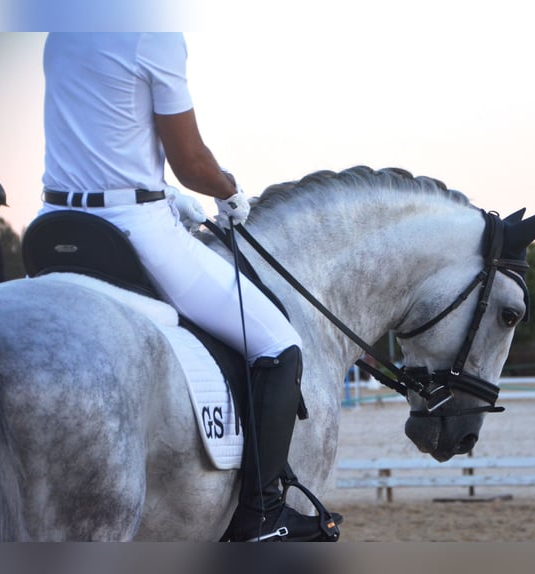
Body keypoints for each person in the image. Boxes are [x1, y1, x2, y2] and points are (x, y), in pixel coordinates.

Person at [40, 33, 339, 542]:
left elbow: (104, 137)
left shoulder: (61, 34)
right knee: (280, 344)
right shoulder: (153, 37)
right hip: (134, 228)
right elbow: (192, 161)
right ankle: (262, 517)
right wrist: (228, 191)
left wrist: (166, 193)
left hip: (52, 224)